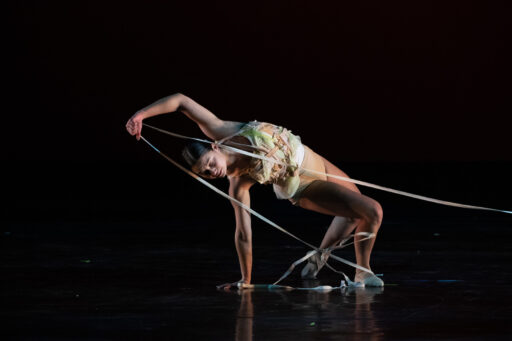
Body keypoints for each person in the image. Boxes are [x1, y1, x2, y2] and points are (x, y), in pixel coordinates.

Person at [126, 93, 384, 289]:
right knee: (371, 210)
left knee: (355, 212)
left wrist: (141, 116)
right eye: (205, 173)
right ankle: (362, 271)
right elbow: (243, 234)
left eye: (209, 164)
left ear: (213, 147)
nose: (211, 172)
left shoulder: (225, 131)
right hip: (305, 186)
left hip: (315, 160)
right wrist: (245, 279)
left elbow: (181, 101)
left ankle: (318, 258)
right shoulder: (238, 184)